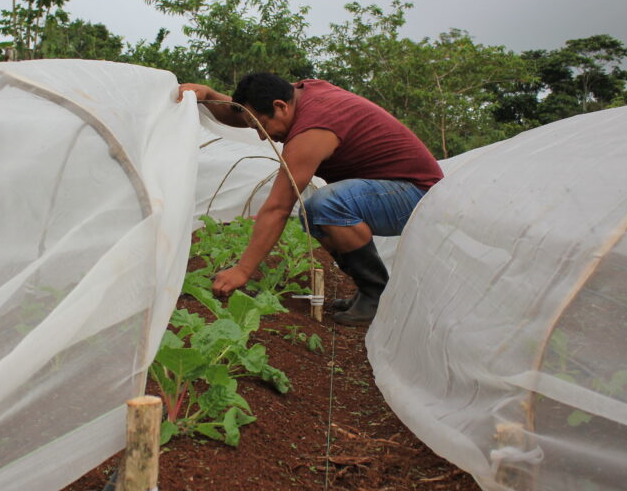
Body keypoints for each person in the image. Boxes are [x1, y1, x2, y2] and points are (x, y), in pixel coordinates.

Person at [178, 73, 442, 325]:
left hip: (416, 196)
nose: (262, 136)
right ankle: (368, 290)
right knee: (316, 212)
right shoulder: (302, 92)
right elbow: (244, 114)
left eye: (263, 126)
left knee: (326, 205)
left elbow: (279, 207)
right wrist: (209, 95)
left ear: (280, 106)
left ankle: (376, 294)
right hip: (395, 189)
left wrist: (242, 270)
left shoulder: (312, 130)